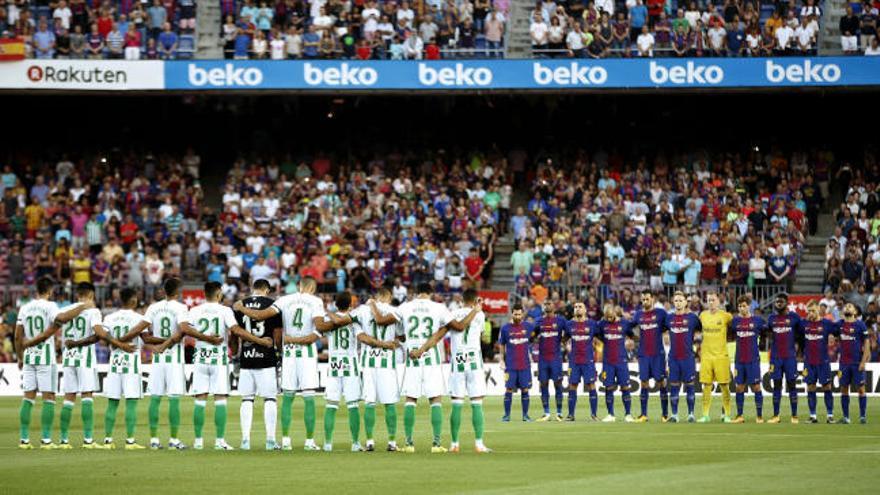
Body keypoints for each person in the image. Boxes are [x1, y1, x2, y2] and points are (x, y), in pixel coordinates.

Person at [233, 277, 345, 451]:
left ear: (299, 286)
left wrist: (241, 308)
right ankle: (309, 442)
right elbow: (320, 326)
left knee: (287, 398)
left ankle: (285, 441)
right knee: (308, 398)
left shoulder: (284, 300)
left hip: (289, 353)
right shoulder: (315, 301)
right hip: (306, 352)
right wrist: (331, 322)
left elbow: (260, 315)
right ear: (312, 288)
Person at [384, 283, 476, 453]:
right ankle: (436, 444)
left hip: (412, 358)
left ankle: (409, 444)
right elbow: (458, 326)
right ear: (431, 293)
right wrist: (475, 310)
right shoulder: (439, 307)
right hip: (431, 358)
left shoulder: (405, 307)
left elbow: (395, 329)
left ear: (416, 292)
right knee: (435, 400)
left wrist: (407, 340)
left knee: (410, 400)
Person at [130, 278, 218, 450]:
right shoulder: (181, 307)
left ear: (163, 290)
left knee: (155, 399)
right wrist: (206, 337)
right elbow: (184, 329)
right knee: (174, 400)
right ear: (178, 292)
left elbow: (141, 331)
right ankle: (174, 440)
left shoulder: (153, 308)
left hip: (158, 360)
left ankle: (154, 440)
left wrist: (153, 343)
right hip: (174, 360)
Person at [184, 282, 271, 450]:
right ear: (218, 295)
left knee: (200, 400)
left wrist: (203, 337)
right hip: (219, 360)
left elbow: (185, 329)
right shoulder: (224, 310)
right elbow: (236, 331)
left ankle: (198, 441)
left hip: (200, 359)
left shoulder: (194, 311)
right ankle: (219, 441)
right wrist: (259, 340)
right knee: (220, 400)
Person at [15, 277, 93, 449]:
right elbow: (63, 318)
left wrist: (20, 356)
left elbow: (17, 335)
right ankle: (46, 440)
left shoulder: (25, 307)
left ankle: (24, 439)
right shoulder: (50, 306)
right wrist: (82, 306)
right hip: (45, 356)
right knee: (48, 398)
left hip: (28, 357)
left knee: (28, 397)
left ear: (37, 290)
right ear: (49, 291)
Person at [319, 291, 397, 452]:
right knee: (353, 405)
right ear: (350, 305)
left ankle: (327, 443)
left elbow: (321, 329)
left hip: (334, 365)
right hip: (351, 365)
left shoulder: (329, 319)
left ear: (335, 304)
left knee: (331, 405)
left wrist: (327, 312)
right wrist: (384, 344)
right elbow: (363, 339)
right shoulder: (354, 322)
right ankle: (355, 443)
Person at [57, 283, 114, 449]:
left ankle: (63, 440)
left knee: (68, 398)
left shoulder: (67, 310)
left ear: (78, 295)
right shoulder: (93, 311)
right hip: (85, 359)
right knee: (87, 397)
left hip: (68, 359)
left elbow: (59, 320)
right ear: (92, 295)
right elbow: (98, 332)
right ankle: (88, 440)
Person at [233, 279, 283, 450]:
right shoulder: (272, 305)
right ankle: (270, 440)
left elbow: (234, 334)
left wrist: (235, 352)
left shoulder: (240, 305)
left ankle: (245, 440)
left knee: (247, 399)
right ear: (267, 290)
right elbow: (277, 333)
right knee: (270, 398)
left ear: (253, 289)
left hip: (246, 356)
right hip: (266, 356)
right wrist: (278, 351)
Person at [352, 288, 404, 451]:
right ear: (388, 297)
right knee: (389, 404)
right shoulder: (394, 311)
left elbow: (359, 335)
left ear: (375, 297)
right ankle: (392, 442)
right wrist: (392, 340)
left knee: (369, 403)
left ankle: (369, 441)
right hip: (387, 363)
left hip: (368, 363)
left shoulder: (362, 310)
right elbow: (402, 336)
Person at [100, 288, 152, 449]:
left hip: (115, 362)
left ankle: (108, 440)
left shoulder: (109, 317)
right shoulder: (139, 318)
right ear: (133, 300)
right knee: (131, 403)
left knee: (112, 403)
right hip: (131, 363)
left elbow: (103, 342)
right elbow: (147, 339)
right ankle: (130, 441)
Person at [664, 291, 701, 422]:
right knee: (674, 386)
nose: (678, 303)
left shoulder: (693, 318)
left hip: (688, 358)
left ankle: (691, 414)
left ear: (686, 302)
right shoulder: (668, 318)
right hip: (673, 358)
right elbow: (662, 331)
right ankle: (674, 415)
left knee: (690, 385)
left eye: (681, 300)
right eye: (676, 300)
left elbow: (702, 331)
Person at [798, 301, 837, 423]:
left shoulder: (826, 323)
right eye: (808, 311)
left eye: (813, 311)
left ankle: (830, 415)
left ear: (819, 310)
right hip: (809, 362)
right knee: (810, 387)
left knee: (827, 387)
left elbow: (840, 329)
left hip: (823, 361)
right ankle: (813, 416)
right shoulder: (804, 324)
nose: (810, 313)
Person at [697, 292, 733, 423]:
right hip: (706, 356)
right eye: (708, 300)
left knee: (724, 386)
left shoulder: (726, 316)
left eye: (713, 300)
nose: (710, 302)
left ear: (718, 301)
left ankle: (727, 414)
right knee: (706, 386)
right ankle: (705, 415)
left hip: (721, 356)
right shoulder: (702, 315)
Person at [596, 304, 636, 422]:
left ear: (615, 313)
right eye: (606, 317)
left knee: (625, 387)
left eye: (610, 317)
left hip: (621, 360)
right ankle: (610, 414)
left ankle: (628, 414)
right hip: (607, 361)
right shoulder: (602, 324)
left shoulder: (624, 323)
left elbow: (631, 335)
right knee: (608, 387)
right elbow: (597, 335)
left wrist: (630, 342)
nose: (609, 319)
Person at [633, 290, 668, 422]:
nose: (645, 302)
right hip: (643, 354)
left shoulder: (661, 313)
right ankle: (643, 415)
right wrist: (634, 338)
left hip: (657, 354)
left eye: (647, 299)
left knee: (661, 382)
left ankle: (665, 415)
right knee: (644, 383)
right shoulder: (638, 315)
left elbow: (669, 326)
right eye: (643, 299)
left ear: (652, 299)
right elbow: (630, 327)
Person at [766, 293, 802, 423]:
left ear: (786, 303)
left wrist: (800, 352)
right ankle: (776, 416)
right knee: (776, 385)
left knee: (792, 385)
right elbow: (767, 334)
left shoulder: (795, 318)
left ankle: (794, 416)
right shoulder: (771, 318)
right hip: (776, 358)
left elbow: (802, 335)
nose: (778, 304)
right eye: (776, 302)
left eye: (781, 301)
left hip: (790, 358)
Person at [730, 295, 766, 424]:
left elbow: (765, 332)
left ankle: (759, 416)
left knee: (756, 387)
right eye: (739, 306)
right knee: (739, 387)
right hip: (739, 360)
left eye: (744, 306)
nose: (741, 308)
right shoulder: (735, 322)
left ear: (749, 306)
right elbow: (730, 334)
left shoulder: (757, 320)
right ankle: (740, 416)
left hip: (753, 359)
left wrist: (762, 342)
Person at [497, 304, 536, 422]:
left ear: (522, 314)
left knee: (525, 389)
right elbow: (502, 344)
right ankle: (506, 415)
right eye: (515, 314)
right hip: (510, 365)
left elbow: (535, 337)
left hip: (525, 365)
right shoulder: (505, 328)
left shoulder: (528, 327)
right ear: (512, 314)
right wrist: (501, 359)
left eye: (519, 314)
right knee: (509, 389)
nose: (517, 316)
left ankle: (525, 415)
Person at [834, 303, 870, 424]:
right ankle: (846, 417)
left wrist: (863, 361)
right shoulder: (839, 324)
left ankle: (863, 416)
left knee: (861, 389)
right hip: (843, 363)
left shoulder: (860, 325)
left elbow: (866, 344)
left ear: (855, 311)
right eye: (846, 306)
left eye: (850, 306)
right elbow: (830, 333)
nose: (847, 307)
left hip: (856, 362)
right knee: (844, 389)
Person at [564, 301, 599, 421]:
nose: (577, 309)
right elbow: (564, 338)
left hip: (588, 360)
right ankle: (570, 415)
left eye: (580, 307)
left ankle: (594, 415)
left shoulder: (592, 324)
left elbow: (601, 337)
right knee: (572, 385)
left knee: (591, 385)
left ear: (585, 310)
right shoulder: (569, 324)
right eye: (575, 307)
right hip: (574, 361)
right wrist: (566, 346)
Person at [533, 300, 567, 421]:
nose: (547, 305)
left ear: (554, 306)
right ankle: (546, 412)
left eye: (549, 303)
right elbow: (532, 334)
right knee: (543, 384)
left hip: (555, 359)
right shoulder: (538, 321)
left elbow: (569, 332)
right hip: (542, 359)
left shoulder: (561, 321)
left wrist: (563, 340)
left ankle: (559, 412)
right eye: (545, 304)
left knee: (558, 383)